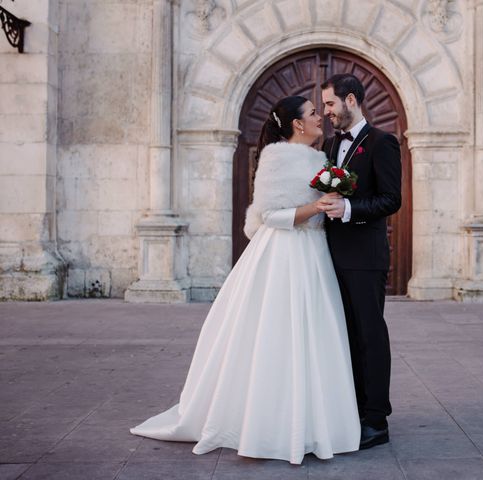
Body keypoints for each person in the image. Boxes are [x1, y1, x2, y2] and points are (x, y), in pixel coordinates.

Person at [130, 96, 360, 465]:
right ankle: (267, 424)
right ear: (298, 124)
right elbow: (270, 215)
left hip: (315, 254)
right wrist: (314, 207)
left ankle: (316, 423)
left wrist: (332, 199)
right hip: (285, 253)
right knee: (278, 333)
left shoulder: (320, 159)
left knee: (315, 333)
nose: (321, 117)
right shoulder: (276, 157)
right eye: (313, 113)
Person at [319, 74, 402, 449]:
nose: (326, 113)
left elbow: (391, 199)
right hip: (331, 257)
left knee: (370, 335)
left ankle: (376, 419)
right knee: (345, 335)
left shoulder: (382, 142)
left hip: (366, 257)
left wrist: (349, 208)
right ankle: (351, 408)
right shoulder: (331, 142)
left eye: (330, 105)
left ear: (350, 100)